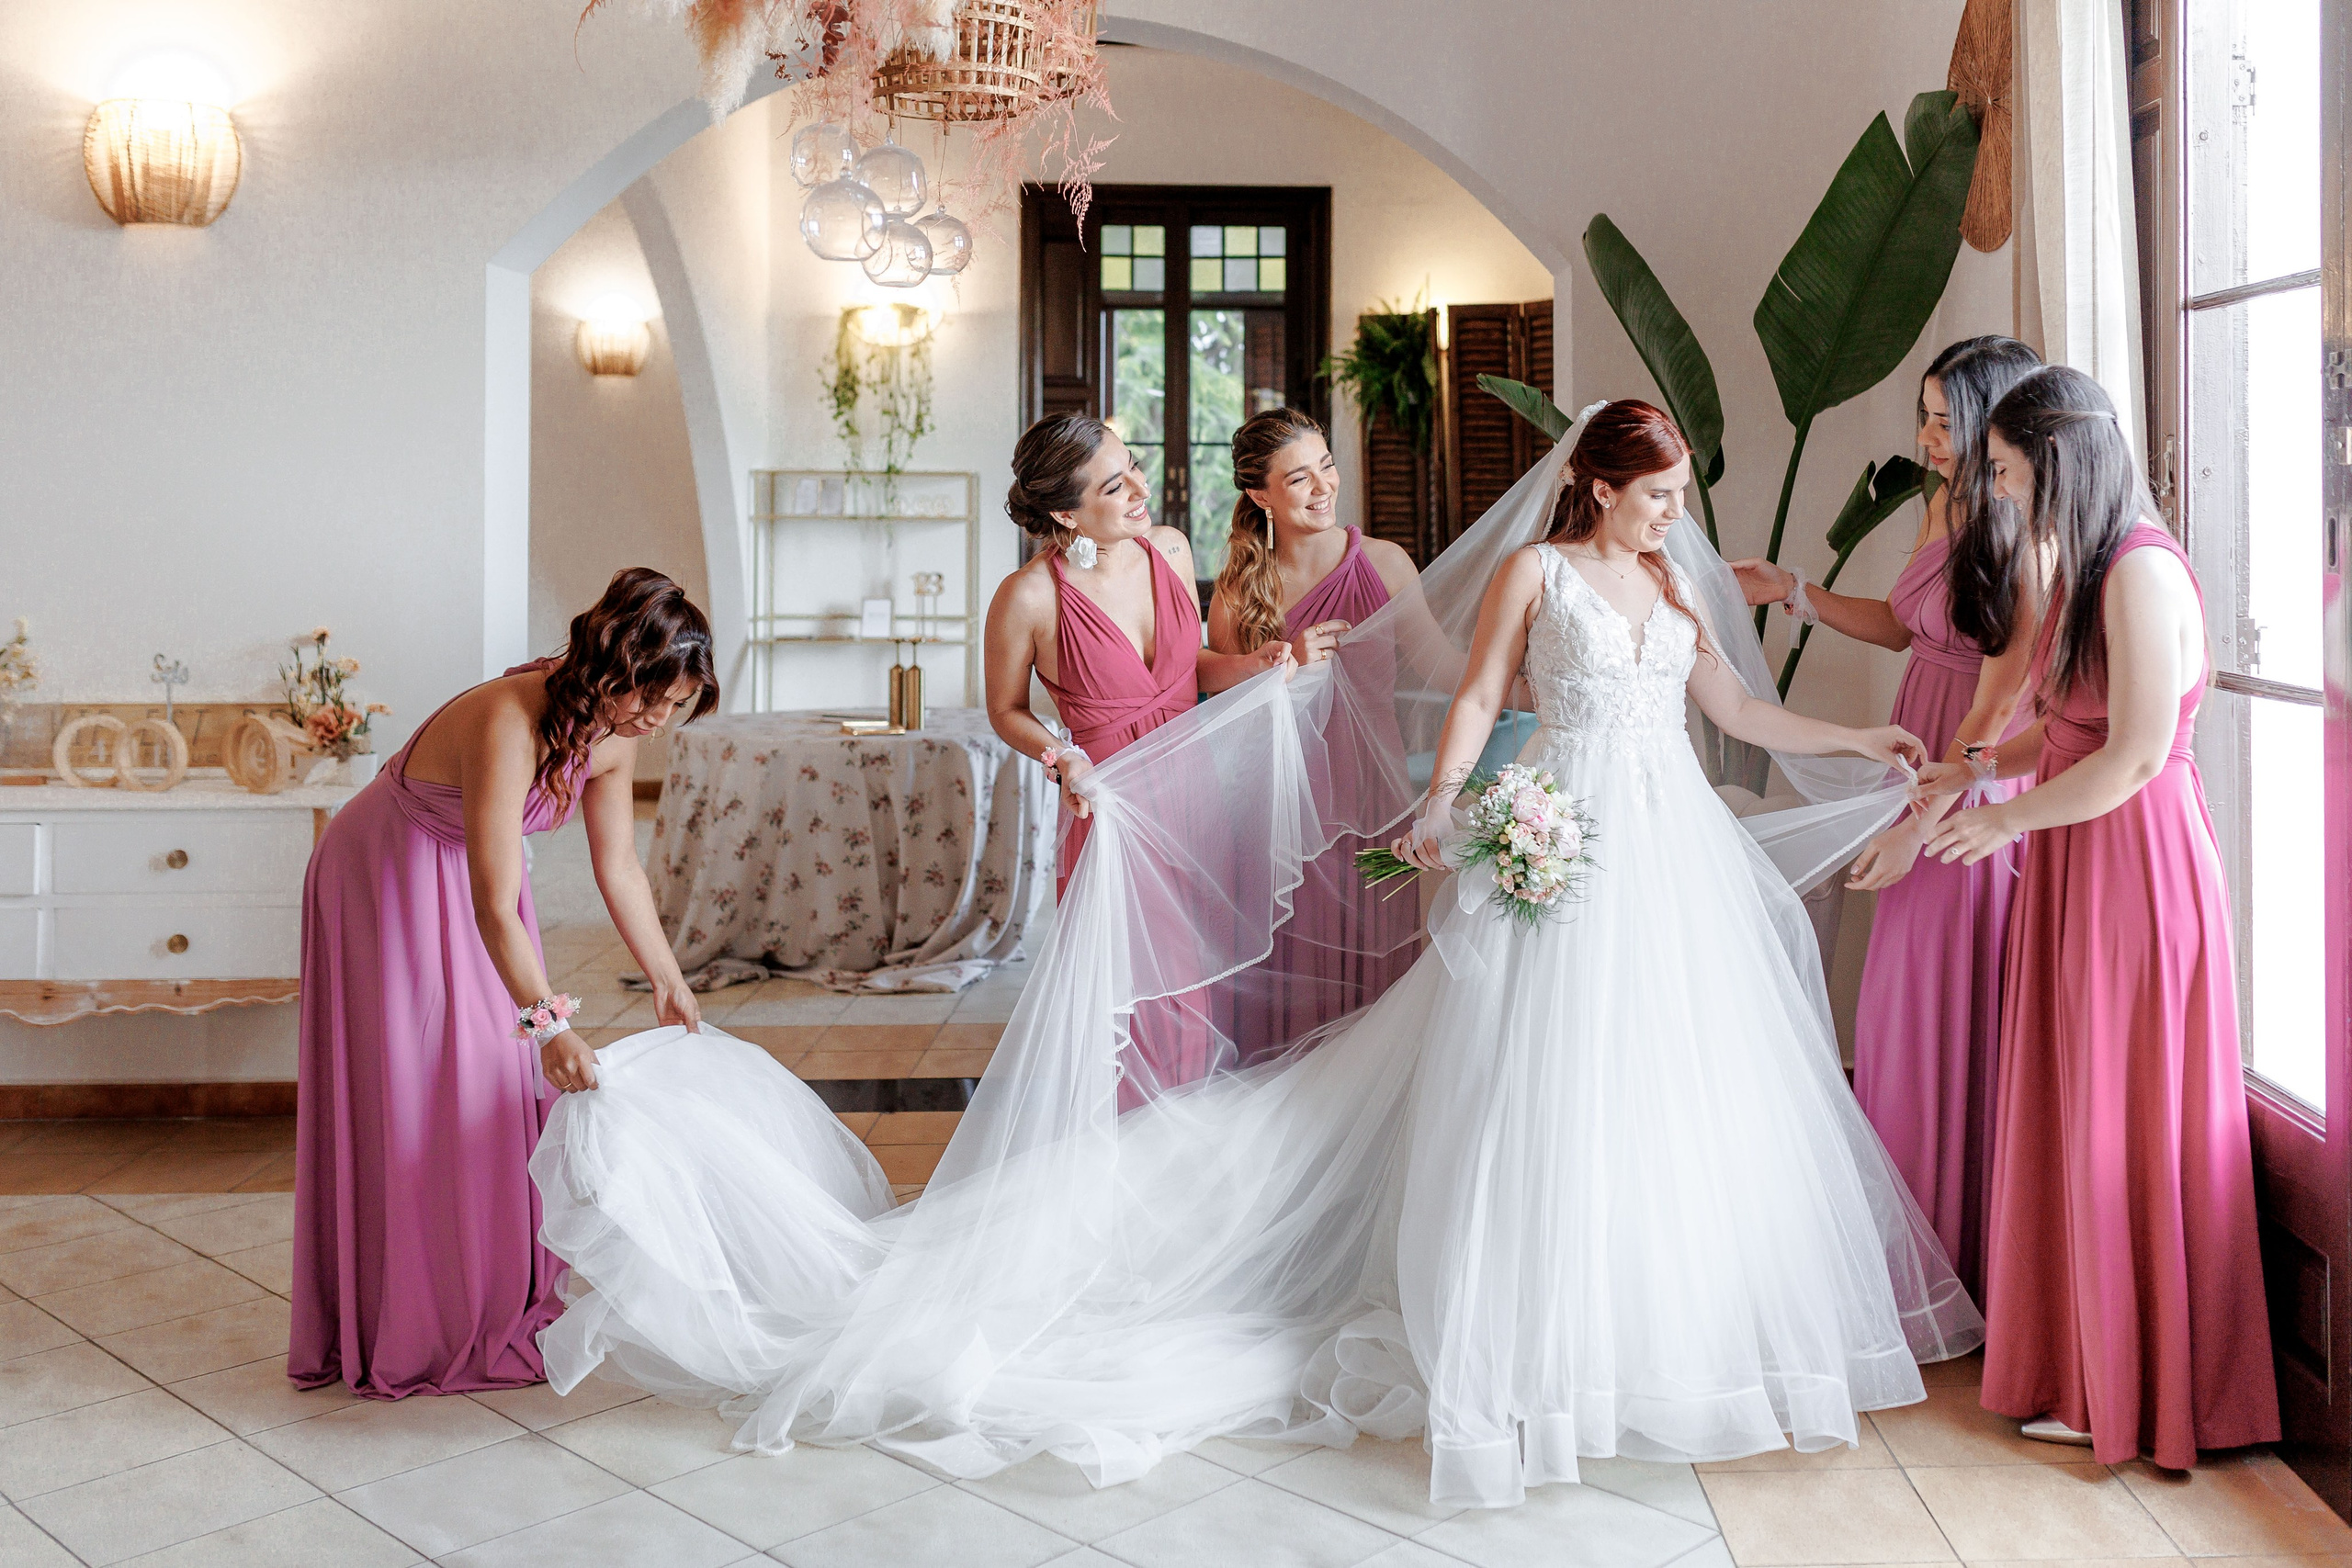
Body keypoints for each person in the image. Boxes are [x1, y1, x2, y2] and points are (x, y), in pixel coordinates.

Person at [527, 401, 1982, 1510]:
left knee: (1680, 1085)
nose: (1673, 520)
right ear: (1596, 485)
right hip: (1539, 834)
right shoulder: (1537, 573)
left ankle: (1681, 1331)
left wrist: (1854, 733)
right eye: (1656, 497)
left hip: (1662, 859)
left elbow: (1732, 694)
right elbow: (1467, 698)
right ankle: (1524, 1345)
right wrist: (1447, 800)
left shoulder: (1670, 591)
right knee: (1533, 1081)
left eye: (1679, 502)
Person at [1917, 366, 2278, 1466]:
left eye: (2017, 477)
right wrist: (1978, 769)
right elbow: (2066, 730)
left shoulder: (2138, 574)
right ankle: (2085, 1354)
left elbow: (2128, 758)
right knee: (2075, 1104)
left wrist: (2003, 824)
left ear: (2063, 465)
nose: (2009, 498)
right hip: (2079, 854)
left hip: (2130, 862)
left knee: (2118, 1111)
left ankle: (2136, 1379)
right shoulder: (2086, 566)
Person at [289, 568, 714, 1398]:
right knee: (419, 1085)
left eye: (677, 705)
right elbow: (493, 899)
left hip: (468, 880)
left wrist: (670, 978)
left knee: (490, 1084)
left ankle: (481, 1302)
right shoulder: (509, 720)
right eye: (651, 698)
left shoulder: (617, 740)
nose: (660, 721)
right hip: (388, 870)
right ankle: (408, 1320)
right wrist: (550, 1023)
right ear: (611, 666)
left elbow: (619, 864)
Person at [1729, 336, 2042, 1297]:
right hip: (1915, 742)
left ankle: (1960, 1256)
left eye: (1949, 422)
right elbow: (1912, 624)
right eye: (1926, 418)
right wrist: (1798, 597)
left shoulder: (2026, 523)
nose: (1930, 438)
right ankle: (1905, 1249)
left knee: (1939, 997)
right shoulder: (1939, 502)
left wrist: (1939, 795)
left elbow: (2001, 694)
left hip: (1970, 766)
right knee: (1895, 1001)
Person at [983, 412, 1290, 1099]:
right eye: (1115, 487)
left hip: (1194, 797)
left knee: (1197, 985)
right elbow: (1005, 710)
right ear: (1067, 511)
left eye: (1134, 470)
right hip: (1112, 807)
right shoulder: (1030, 595)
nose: (1140, 490)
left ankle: (1184, 1158)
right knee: (1134, 993)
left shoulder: (1172, 551)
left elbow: (1190, 672)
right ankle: (1128, 1152)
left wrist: (1251, 664)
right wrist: (1064, 757)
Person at [1206, 408, 1422, 1056]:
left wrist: (1542, 674)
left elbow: (1444, 662)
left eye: (1326, 465)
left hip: (1372, 801)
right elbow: (1220, 698)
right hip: (1278, 807)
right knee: (1292, 968)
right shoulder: (1242, 586)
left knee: (1373, 968)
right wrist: (1285, 660)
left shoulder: (1383, 563)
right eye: (1299, 478)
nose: (1324, 485)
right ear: (1259, 493)